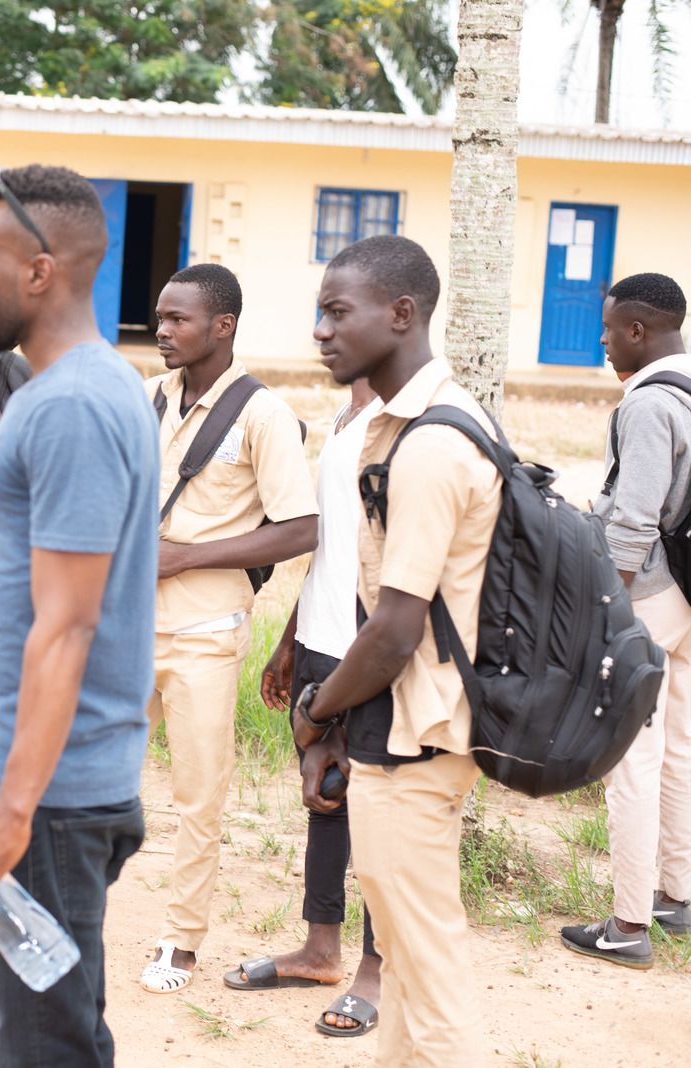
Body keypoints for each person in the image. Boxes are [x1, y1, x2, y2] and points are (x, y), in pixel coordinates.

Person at [0, 165, 158, 1067]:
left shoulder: (70, 408)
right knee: (60, 1027)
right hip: (43, 783)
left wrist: (11, 810)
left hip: (51, 803)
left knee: (45, 1047)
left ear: (38, 272)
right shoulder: (81, 388)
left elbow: (66, 625)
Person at [294, 234, 502, 1066]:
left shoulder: (431, 444)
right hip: (408, 724)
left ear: (402, 313)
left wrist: (317, 713)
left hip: (421, 733)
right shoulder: (401, 426)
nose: (320, 331)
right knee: (411, 963)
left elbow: (393, 628)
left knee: (428, 964)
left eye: (338, 312)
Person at [139, 263, 319, 994]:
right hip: (126, 625)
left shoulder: (262, 414)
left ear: (223, 326)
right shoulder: (152, 397)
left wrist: (186, 556)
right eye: (160, 317)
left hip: (206, 632)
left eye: (177, 319)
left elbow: (301, 527)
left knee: (197, 795)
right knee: (86, 778)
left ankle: (180, 939)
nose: (162, 330)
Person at [249, 377, 385, 1037]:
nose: (322, 332)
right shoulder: (343, 416)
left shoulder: (404, 422)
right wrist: (289, 639)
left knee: (382, 810)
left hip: (374, 650)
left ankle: (376, 970)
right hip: (320, 645)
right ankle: (321, 950)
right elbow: (330, 549)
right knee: (326, 795)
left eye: (337, 323)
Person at [563, 272, 691, 966]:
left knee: (631, 758)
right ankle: (677, 894)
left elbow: (635, 519)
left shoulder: (646, 403)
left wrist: (604, 608)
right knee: (679, 748)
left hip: (646, 596)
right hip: (686, 598)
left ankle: (628, 924)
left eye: (610, 329)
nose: (603, 341)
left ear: (638, 330)